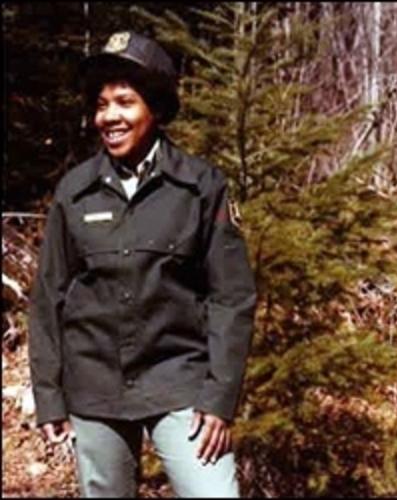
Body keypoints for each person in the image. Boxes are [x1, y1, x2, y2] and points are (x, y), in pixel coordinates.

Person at [28, 30, 257, 498]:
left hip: (181, 384)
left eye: (125, 102)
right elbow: (48, 298)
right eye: (101, 104)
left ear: (154, 107)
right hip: (96, 389)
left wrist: (220, 398)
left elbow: (232, 296)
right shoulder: (74, 192)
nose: (109, 116)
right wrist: (50, 400)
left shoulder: (201, 186)